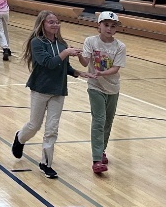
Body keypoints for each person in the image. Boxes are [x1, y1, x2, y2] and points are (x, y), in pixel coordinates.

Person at [11, 11, 89, 179]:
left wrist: (77, 72)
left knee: (52, 129)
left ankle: (46, 163)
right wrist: (66, 53)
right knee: (34, 125)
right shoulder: (37, 42)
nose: (55, 25)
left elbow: (63, 66)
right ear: (43, 24)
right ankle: (20, 137)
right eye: (51, 22)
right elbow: (49, 63)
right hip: (40, 89)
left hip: (58, 90)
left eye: (57, 22)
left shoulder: (62, 44)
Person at [78, 12, 127, 175]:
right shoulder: (90, 41)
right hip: (95, 86)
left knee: (108, 121)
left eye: (113, 26)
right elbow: (85, 61)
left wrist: (101, 73)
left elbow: (115, 68)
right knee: (99, 120)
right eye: (106, 25)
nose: (109, 28)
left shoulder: (120, 46)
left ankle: (102, 149)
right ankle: (96, 159)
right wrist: (79, 55)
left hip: (113, 88)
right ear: (98, 25)